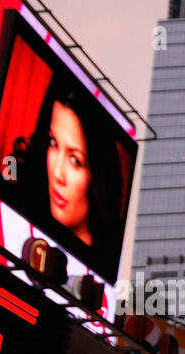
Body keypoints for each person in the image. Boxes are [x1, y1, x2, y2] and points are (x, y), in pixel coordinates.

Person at [17, 78, 126, 265]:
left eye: (75, 160)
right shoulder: (21, 213)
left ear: (98, 175)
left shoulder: (109, 263)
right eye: (53, 143)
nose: (57, 173)